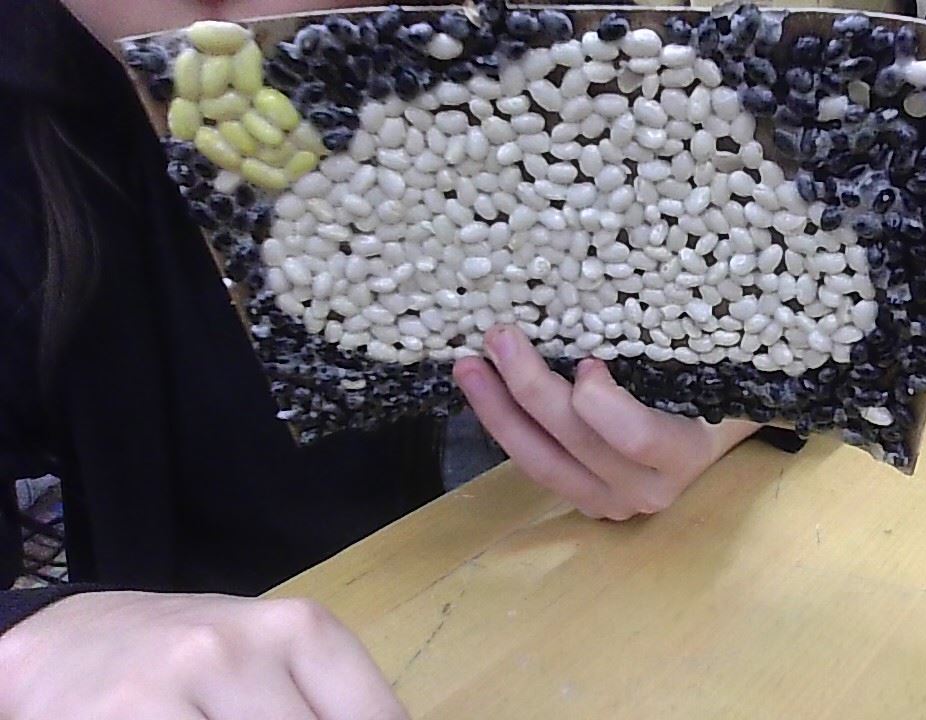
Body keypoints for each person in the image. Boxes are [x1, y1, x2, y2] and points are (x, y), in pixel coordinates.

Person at [0, 1, 775, 716]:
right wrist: (33, 639)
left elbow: (791, 293)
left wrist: (719, 407)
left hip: (605, 619)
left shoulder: (577, 58)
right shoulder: (31, 128)